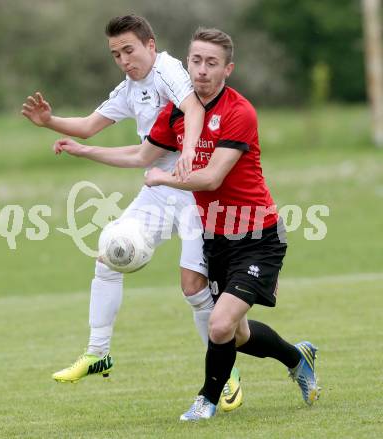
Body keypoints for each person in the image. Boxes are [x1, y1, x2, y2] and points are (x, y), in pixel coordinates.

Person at [22, 15, 242, 411]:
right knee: (109, 254)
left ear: (150, 46)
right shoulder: (130, 88)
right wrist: (49, 122)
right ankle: (98, 351)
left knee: (194, 290)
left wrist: (190, 151)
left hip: (195, 192)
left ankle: (226, 375)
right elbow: (91, 126)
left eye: (130, 50)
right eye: (116, 54)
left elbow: (193, 108)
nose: (124, 59)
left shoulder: (169, 71)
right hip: (158, 188)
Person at [141, 27, 321, 421]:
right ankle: (298, 357)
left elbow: (210, 179)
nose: (202, 70)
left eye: (211, 63)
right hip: (215, 237)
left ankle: (206, 400)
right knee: (235, 334)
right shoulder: (176, 111)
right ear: (186, 63)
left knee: (219, 325)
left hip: (257, 235)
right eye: (195, 60)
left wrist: (162, 177)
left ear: (228, 69)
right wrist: (81, 146)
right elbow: (142, 154)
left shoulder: (239, 112)